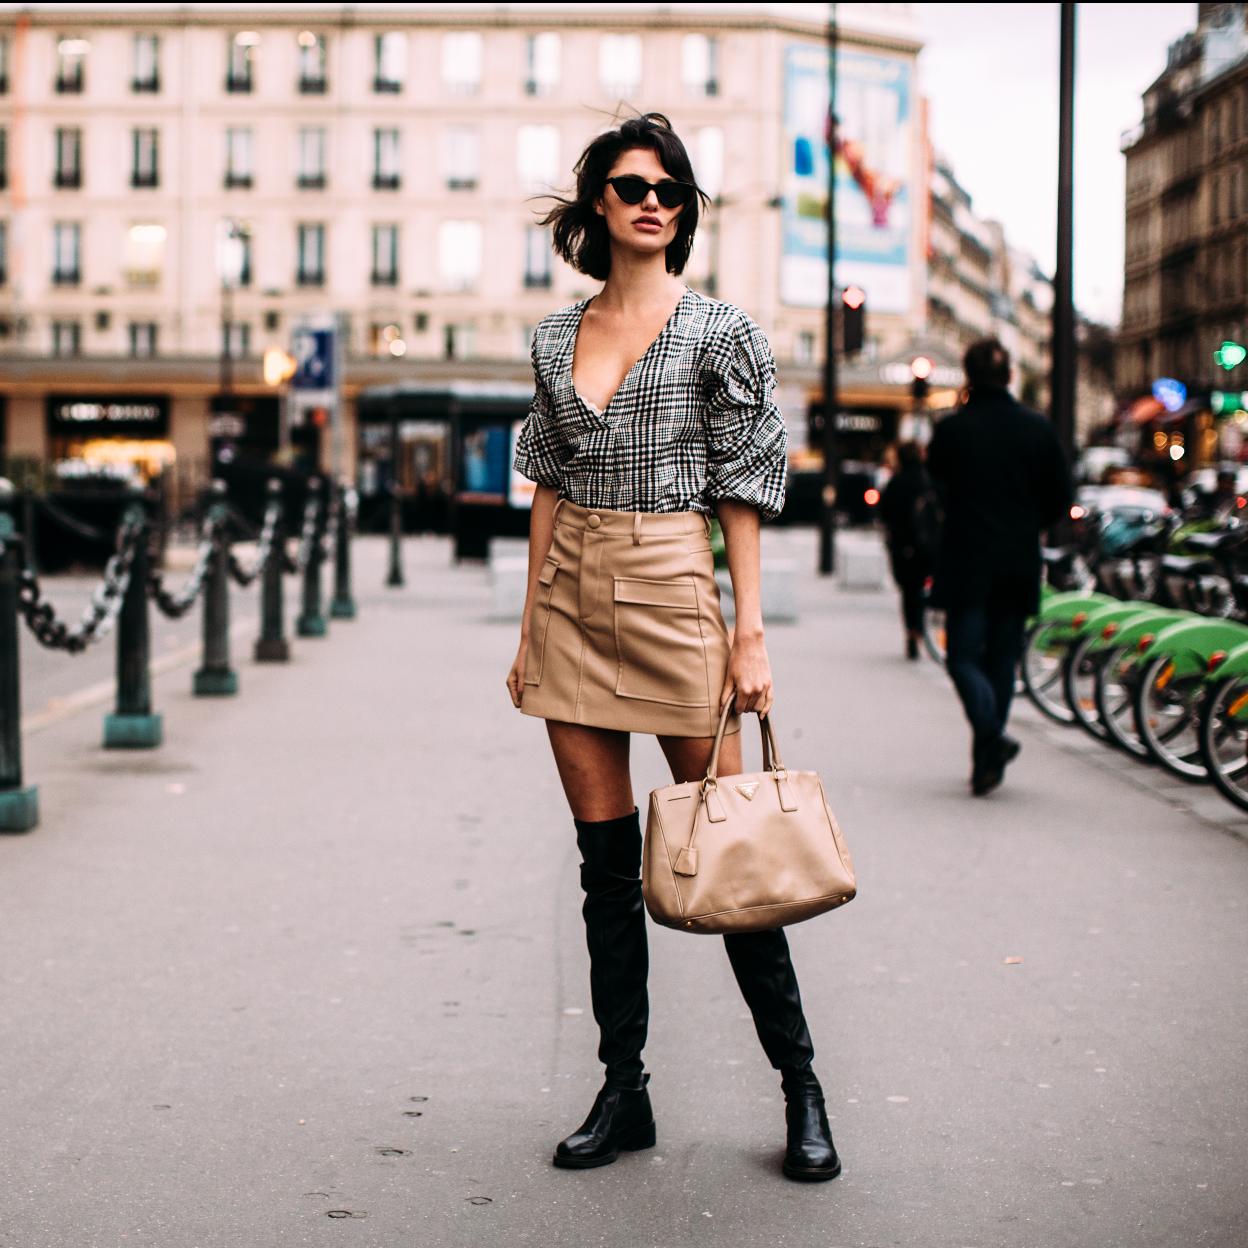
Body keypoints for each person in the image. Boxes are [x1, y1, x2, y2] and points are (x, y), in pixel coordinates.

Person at [506, 113, 839, 1183]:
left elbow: (744, 487)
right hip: (571, 605)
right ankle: (624, 1091)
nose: (655, 200)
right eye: (634, 185)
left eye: (672, 188)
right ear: (597, 205)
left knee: (735, 858)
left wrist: (750, 632)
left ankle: (801, 1086)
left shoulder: (721, 332)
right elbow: (547, 484)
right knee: (606, 873)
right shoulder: (554, 340)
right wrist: (529, 627)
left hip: (672, 590)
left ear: (684, 212)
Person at [925, 338, 1071, 796]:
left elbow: (938, 490)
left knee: (963, 658)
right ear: (1009, 376)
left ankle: (989, 739)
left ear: (969, 375)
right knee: (1003, 661)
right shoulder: (1038, 429)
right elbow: (1061, 497)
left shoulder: (952, 430)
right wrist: (1028, 526)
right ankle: (989, 754)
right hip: (1018, 559)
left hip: (968, 558)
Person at [879, 441, 939, 660]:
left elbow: (884, 512)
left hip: (903, 546)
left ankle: (912, 632)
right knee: (922, 588)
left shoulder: (896, 482)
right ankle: (920, 629)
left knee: (908, 591)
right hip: (927, 545)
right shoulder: (928, 480)